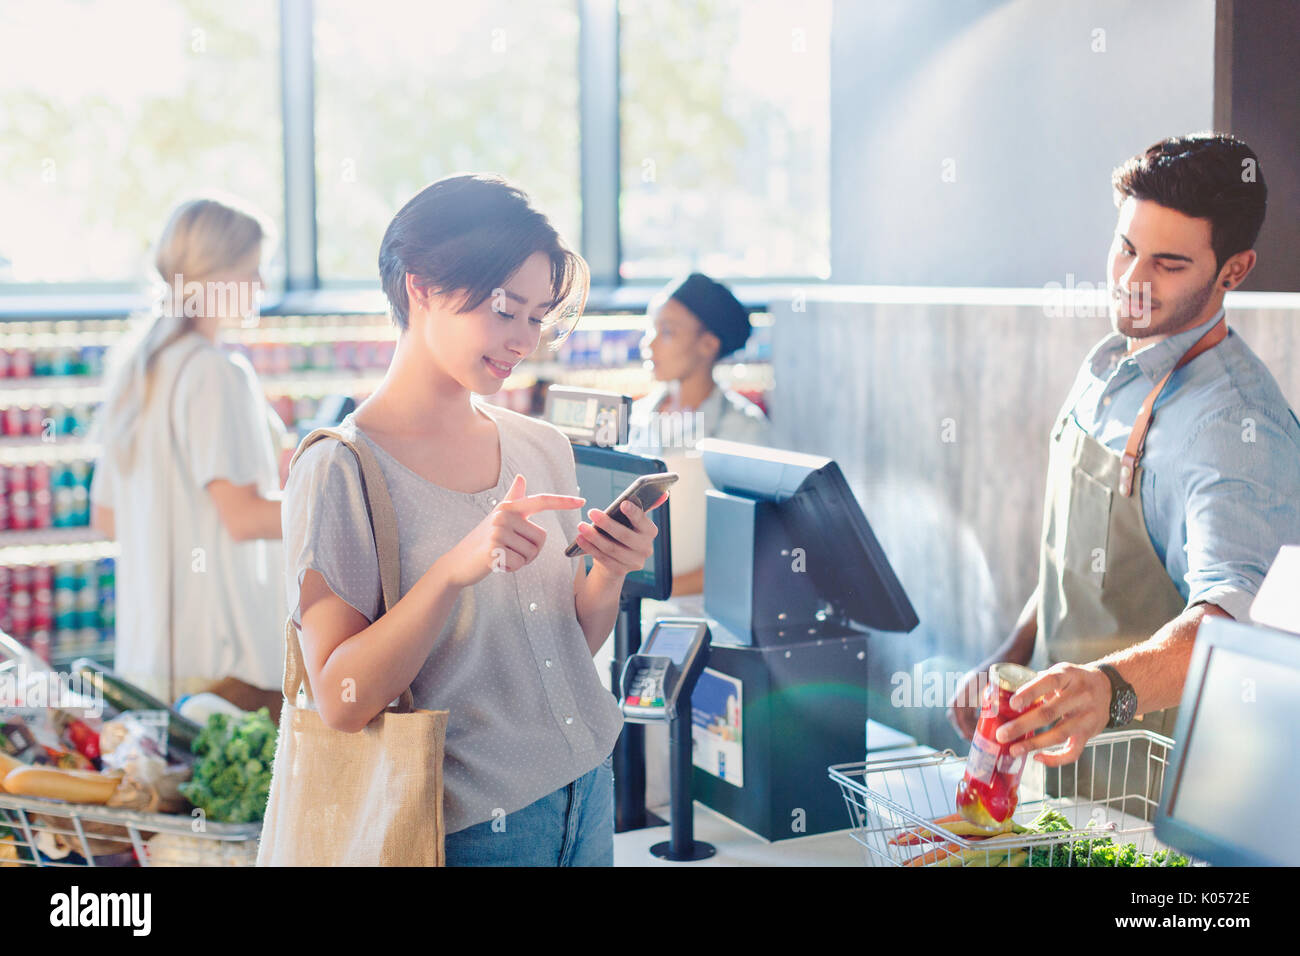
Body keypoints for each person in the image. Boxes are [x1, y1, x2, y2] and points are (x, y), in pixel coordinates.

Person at [282, 174, 664, 866]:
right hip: (465, 828)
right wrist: (453, 573)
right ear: (422, 288)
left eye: (538, 315)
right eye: (505, 309)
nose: (525, 338)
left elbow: (567, 647)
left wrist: (608, 571)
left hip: (587, 787)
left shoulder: (540, 446)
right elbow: (340, 701)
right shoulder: (340, 470)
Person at [947, 134, 1300, 803]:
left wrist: (1106, 690)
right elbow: (1082, 558)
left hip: (1159, 802)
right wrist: (1010, 658)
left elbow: (1236, 623)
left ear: (1235, 269)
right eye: (1126, 248)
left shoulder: (1232, 428)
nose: (1133, 281)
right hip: (1066, 774)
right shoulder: (1113, 361)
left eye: (1168, 264)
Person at [90, 197, 287, 709]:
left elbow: (107, 516)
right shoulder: (214, 373)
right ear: (215, 275)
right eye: (253, 270)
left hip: (148, 663)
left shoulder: (139, 370)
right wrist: (345, 507)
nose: (262, 286)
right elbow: (243, 518)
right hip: (223, 665)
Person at [626, 273, 771, 596]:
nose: (648, 344)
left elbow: (747, 548)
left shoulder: (744, 431)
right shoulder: (634, 418)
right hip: (628, 604)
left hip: (700, 608)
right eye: (651, 328)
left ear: (708, 344)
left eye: (666, 332)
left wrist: (651, 590)